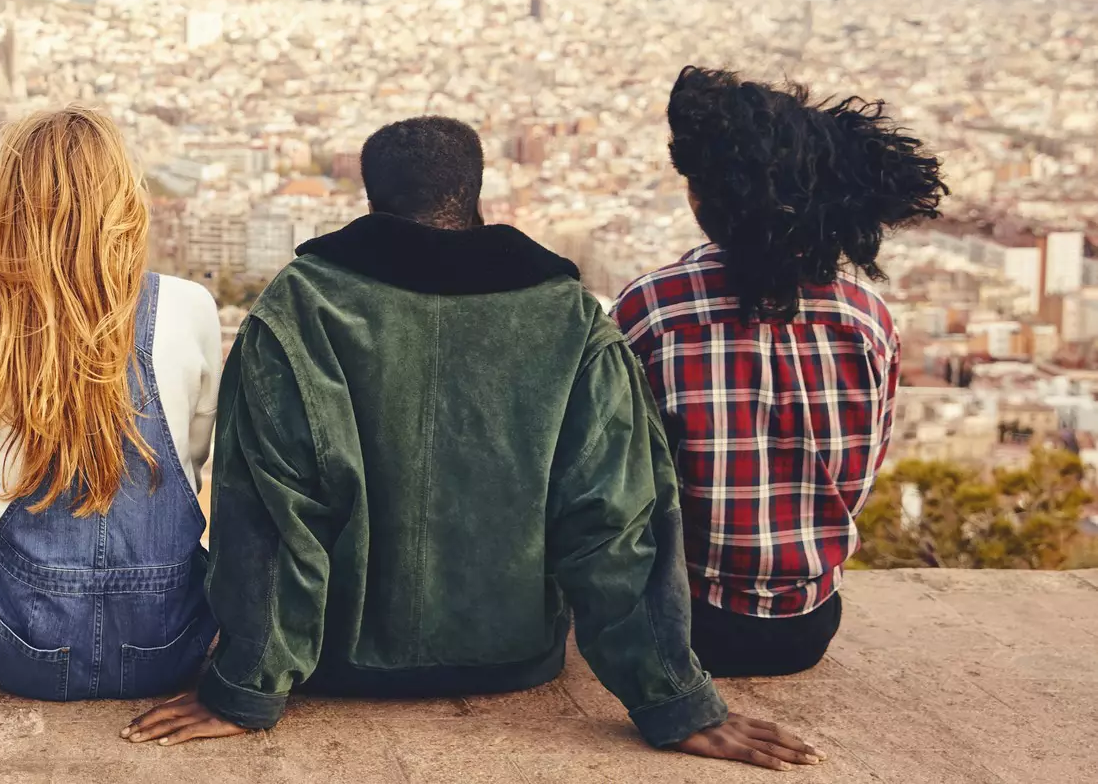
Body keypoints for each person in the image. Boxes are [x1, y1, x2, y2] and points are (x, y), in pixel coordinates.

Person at [126, 116, 822, 771]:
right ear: (475, 194)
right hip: (516, 659)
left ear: (372, 200)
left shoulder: (299, 309)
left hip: (338, 662)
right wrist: (674, 701)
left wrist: (244, 688)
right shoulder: (570, 318)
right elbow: (614, 520)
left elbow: (275, 515)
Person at [617, 66, 944, 678]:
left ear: (700, 200)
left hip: (684, 618)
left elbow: (619, 476)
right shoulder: (865, 318)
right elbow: (863, 471)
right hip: (809, 625)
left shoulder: (653, 310)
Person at [0, 107, 222, 701]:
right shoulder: (190, 308)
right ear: (124, 200)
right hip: (168, 645)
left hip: (20, 649)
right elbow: (191, 461)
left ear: (10, 210)